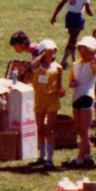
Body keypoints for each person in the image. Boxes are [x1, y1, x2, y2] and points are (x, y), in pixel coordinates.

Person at [64, 38, 96, 169]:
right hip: (76, 97)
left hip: (87, 96)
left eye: (87, 49)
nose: (83, 52)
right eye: (81, 48)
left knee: (84, 130)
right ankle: (88, 155)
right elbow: (71, 81)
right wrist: (72, 83)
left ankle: (79, 158)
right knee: (79, 129)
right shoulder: (75, 64)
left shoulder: (93, 64)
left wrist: (95, 57)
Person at [30, 40, 63, 170]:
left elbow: (59, 84)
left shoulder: (58, 67)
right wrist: (42, 55)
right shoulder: (38, 66)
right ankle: (41, 155)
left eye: (53, 51)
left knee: (49, 129)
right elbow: (32, 66)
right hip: (39, 100)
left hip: (52, 100)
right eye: (48, 52)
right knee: (40, 127)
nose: (51, 54)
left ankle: (49, 158)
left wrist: (60, 90)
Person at [50, 0, 93, 68]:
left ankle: (73, 59)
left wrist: (54, 16)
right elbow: (88, 10)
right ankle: (64, 60)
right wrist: (91, 13)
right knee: (72, 40)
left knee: (73, 39)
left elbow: (60, 5)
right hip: (77, 17)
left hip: (69, 16)